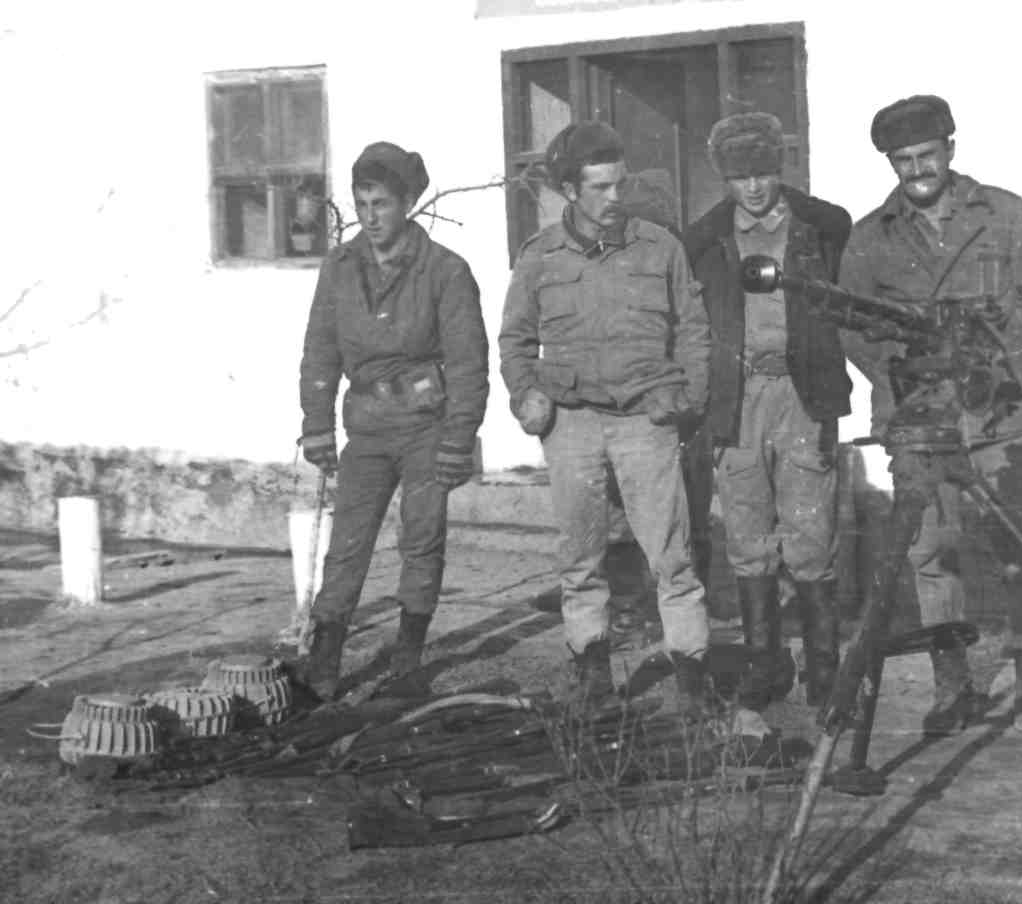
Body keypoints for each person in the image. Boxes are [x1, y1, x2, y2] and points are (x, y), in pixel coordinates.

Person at [839, 95, 1022, 740]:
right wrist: (905, 371)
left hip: (999, 412)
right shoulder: (870, 237)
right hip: (919, 417)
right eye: (903, 160)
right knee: (930, 556)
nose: (918, 170)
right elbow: (852, 327)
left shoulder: (1003, 213)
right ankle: (953, 686)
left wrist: (1002, 362)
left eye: (927, 155)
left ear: (950, 148)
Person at [498, 121, 712, 711]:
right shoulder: (540, 257)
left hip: (646, 419)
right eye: (600, 187)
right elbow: (515, 340)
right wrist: (524, 393)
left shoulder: (660, 247)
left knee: (673, 556)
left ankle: (691, 678)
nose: (615, 197)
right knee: (581, 557)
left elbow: (693, 331)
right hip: (571, 424)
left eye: (619, 183)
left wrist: (686, 401)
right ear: (570, 190)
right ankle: (591, 671)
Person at [296, 142, 489, 700]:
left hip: (426, 426)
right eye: (361, 204)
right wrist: (316, 424)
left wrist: (459, 438)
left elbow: (469, 362)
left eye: (381, 203)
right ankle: (325, 661)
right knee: (347, 544)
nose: (370, 217)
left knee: (421, 539)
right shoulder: (339, 268)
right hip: (366, 427)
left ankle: (407, 658)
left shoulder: (445, 271)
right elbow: (320, 350)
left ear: (406, 203)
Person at [683, 112, 852, 711]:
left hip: (802, 394)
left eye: (763, 173)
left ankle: (824, 668)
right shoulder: (705, 240)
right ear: (724, 178)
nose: (753, 188)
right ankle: (765, 663)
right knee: (748, 530)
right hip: (738, 397)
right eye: (740, 176)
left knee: (811, 531)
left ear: (780, 169)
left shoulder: (821, 228)